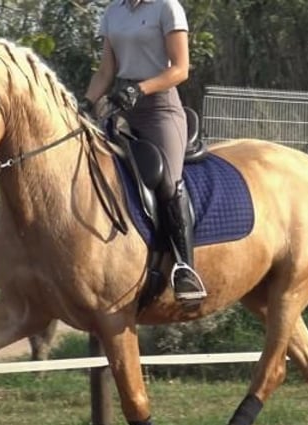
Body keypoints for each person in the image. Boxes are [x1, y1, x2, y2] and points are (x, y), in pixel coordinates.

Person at [80, 0, 207, 303]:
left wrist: (140, 89)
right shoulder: (113, 11)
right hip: (121, 107)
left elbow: (179, 69)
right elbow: (106, 71)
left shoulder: (166, 7)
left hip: (160, 109)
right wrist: (86, 103)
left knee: (166, 180)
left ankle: (184, 267)